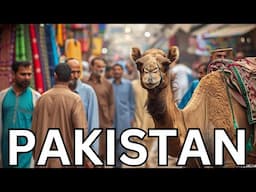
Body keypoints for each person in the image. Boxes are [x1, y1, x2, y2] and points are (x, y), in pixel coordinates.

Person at [32, 63, 89, 168]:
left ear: (55, 76)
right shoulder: (75, 100)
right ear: (70, 77)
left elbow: (34, 130)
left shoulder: (42, 99)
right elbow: (81, 131)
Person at [0, 61, 41, 168]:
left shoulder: (36, 98)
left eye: (29, 74)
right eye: (23, 74)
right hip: (6, 153)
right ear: (13, 74)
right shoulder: (3, 96)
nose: (27, 77)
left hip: (26, 155)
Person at [66, 57, 100, 154]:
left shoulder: (88, 92)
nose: (76, 76)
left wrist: (92, 153)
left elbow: (93, 123)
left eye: (78, 72)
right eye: (72, 72)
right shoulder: (58, 92)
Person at [86, 57, 115, 165]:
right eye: (98, 66)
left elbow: (111, 103)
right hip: (88, 123)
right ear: (92, 67)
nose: (101, 69)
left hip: (103, 123)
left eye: (103, 67)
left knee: (101, 154)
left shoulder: (108, 84)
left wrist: (110, 118)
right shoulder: (84, 82)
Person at [111, 63, 135, 168]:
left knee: (122, 145)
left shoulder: (128, 84)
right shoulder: (108, 85)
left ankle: (119, 165)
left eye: (119, 69)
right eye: (115, 70)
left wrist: (131, 118)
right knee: (111, 144)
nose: (117, 71)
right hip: (111, 120)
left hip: (124, 119)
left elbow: (131, 103)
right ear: (112, 72)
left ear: (122, 71)